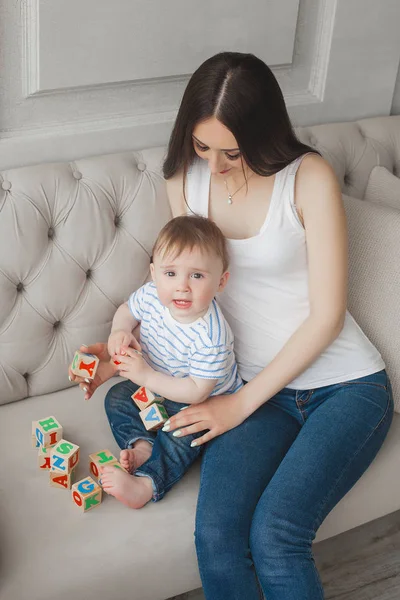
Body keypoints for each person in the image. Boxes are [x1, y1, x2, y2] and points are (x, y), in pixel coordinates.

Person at [70, 52, 394, 599]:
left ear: (263, 133)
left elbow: (328, 314)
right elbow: (183, 295)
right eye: (201, 147)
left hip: (344, 388)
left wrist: (237, 406)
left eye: (232, 151)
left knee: (275, 535)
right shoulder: (187, 179)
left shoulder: (307, 176)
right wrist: (123, 349)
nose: (214, 165)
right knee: (217, 535)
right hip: (254, 391)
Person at [71, 214, 242, 509]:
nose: (182, 287)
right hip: (157, 388)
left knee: (181, 434)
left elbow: (197, 390)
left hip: (201, 403)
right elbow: (127, 311)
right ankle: (142, 446)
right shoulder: (151, 296)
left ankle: (147, 484)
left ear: (221, 282)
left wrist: (146, 376)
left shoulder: (211, 334)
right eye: (171, 273)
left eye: (197, 276)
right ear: (154, 273)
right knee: (117, 398)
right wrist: (120, 331)